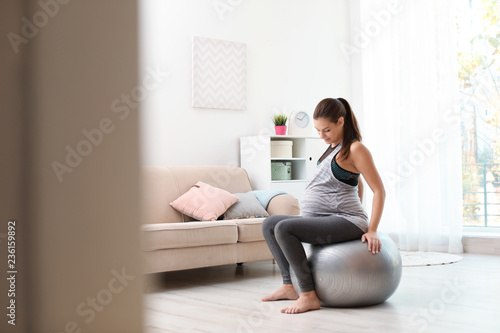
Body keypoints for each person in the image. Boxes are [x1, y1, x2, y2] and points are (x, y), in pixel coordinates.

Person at [261, 97, 385, 314]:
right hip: (325, 218)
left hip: (346, 220)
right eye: (318, 130)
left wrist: (371, 228)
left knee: (284, 228)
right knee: (270, 224)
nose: (321, 135)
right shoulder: (333, 147)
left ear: (341, 122)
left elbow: (379, 190)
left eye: (326, 130)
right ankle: (289, 286)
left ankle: (308, 295)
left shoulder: (355, 148)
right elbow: (357, 181)